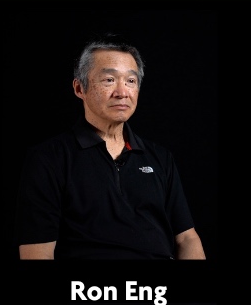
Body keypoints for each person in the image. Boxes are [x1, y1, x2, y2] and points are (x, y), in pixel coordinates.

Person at [17, 39, 205, 259]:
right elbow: (36, 252)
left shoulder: (160, 158)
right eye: (109, 79)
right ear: (79, 88)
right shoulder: (48, 159)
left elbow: (187, 238)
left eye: (131, 81)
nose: (122, 92)